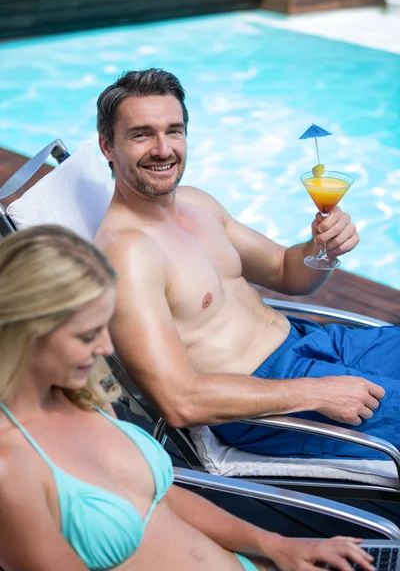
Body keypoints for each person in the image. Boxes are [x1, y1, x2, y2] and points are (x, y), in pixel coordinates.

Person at [0, 225, 376, 571]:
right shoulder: (11, 466)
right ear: (28, 330)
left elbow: (160, 498)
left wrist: (278, 546)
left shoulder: (81, 394)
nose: (105, 347)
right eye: (87, 336)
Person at [95, 68, 399, 461]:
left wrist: (323, 247)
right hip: (269, 400)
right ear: (107, 146)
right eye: (141, 134)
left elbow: (288, 273)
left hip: (311, 343)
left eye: (174, 130)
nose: (163, 148)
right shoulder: (128, 253)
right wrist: (318, 391)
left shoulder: (195, 202)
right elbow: (179, 400)